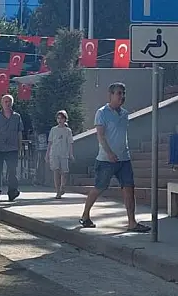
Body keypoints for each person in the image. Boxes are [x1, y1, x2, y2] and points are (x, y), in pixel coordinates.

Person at [80, 83, 150, 232]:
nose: (122, 96)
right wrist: (109, 152)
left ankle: (132, 222)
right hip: (106, 160)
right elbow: (100, 135)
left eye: (123, 93)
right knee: (99, 187)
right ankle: (85, 215)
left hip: (124, 159)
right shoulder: (102, 112)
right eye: (118, 93)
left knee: (129, 188)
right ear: (110, 95)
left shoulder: (125, 113)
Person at [0, 94, 24, 201]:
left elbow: (19, 132)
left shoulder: (17, 116)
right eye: (5, 101)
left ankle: (12, 192)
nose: (7, 104)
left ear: (12, 103)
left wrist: (20, 145)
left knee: (12, 171)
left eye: (9, 101)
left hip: (12, 147)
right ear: (2, 103)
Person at [45, 110, 74, 199]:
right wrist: (47, 154)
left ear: (65, 119)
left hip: (64, 153)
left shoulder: (68, 131)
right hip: (54, 153)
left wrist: (71, 154)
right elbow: (50, 142)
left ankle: (63, 186)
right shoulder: (53, 129)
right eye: (58, 118)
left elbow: (70, 143)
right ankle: (58, 191)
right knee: (56, 171)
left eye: (61, 118)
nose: (60, 120)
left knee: (64, 172)